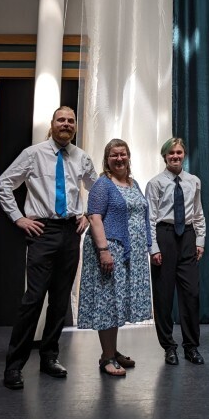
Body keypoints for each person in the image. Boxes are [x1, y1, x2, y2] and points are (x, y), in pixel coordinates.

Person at [0, 106, 98, 390]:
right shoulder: (33, 154)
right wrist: (19, 218)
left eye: (71, 121)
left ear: (75, 127)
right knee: (33, 299)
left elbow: (98, 189)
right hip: (43, 232)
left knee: (60, 300)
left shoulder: (81, 157)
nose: (66, 124)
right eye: (61, 120)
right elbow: (2, 185)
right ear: (52, 124)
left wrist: (87, 215)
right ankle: (14, 366)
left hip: (69, 232)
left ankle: (50, 357)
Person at [78, 138, 152, 376]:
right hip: (110, 250)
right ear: (107, 159)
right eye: (114, 155)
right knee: (108, 302)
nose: (119, 159)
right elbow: (95, 217)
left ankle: (111, 350)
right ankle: (107, 357)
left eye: (123, 154)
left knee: (116, 302)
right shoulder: (103, 184)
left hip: (128, 253)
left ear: (129, 156)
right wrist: (103, 251)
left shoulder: (133, 183)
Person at [145, 137, 206, 366]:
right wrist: (154, 248)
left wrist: (200, 240)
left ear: (184, 154)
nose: (175, 157)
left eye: (179, 153)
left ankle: (191, 347)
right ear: (164, 156)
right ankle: (169, 347)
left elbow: (198, 212)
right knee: (163, 295)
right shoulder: (155, 183)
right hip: (165, 235)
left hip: (187, 236)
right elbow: (150, 218)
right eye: (171, 153)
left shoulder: (193, 181)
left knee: (191, 294)